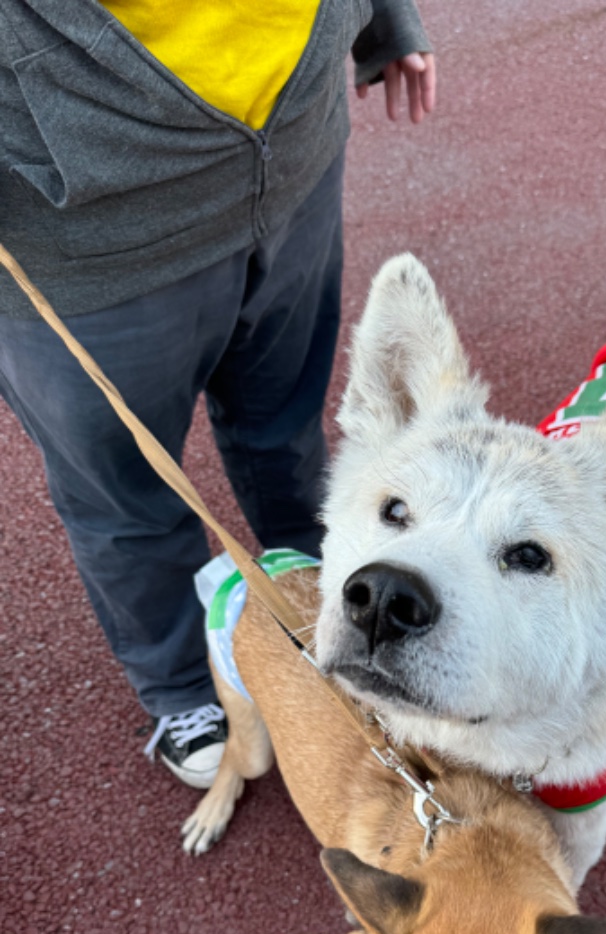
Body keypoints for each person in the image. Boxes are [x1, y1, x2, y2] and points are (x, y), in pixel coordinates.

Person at [0, 0, 435, 787]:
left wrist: (381, 17)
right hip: (87, 235)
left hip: (295, 152)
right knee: (125, 495)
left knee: (287, 428)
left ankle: (320, 601)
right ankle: (181, 685)